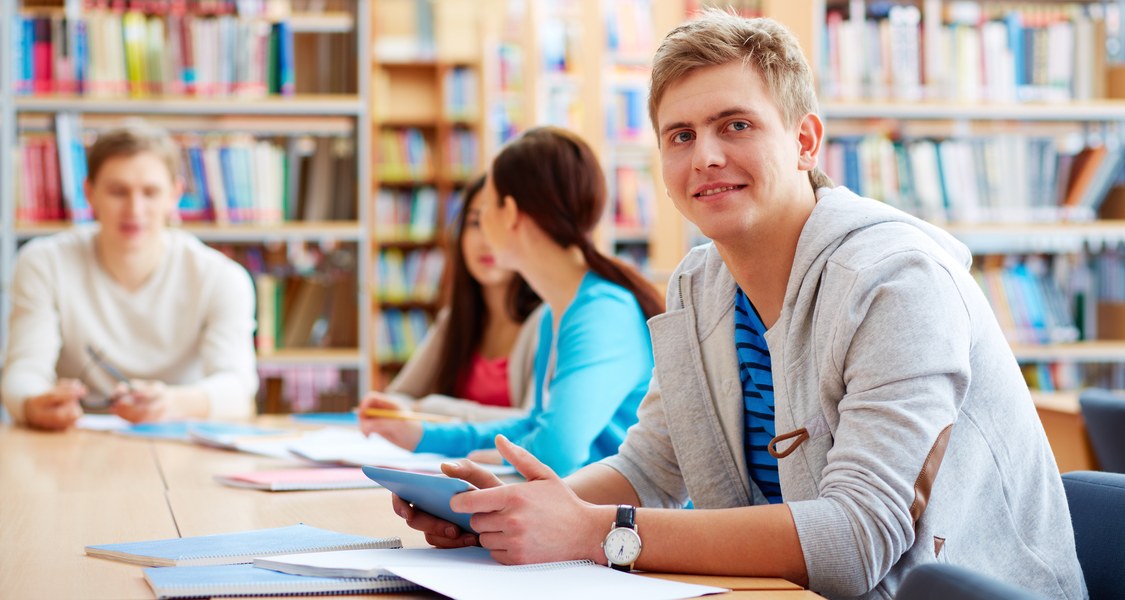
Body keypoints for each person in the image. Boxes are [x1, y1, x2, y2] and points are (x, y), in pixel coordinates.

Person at [384, 12, 1086, 599]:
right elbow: (651, 467)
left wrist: (591, 531)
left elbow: (856, 539)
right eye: (680, 136)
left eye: (735, 126)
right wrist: (515, 512)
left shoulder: (897, 283)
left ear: (805, 141)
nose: (706, 156)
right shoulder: (701, 284)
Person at [360, 126, 663, 477]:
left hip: (628, 523)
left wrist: (493, 460)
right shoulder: (559, 309)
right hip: (588, 510)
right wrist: (420, 435)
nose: (481, 227)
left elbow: (556, 452)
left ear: (511, 213)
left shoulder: (602, 312)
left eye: (485, 210)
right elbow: (534, 425)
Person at [1, 123, 259, 430]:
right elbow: (23, 372)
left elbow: (239, 389)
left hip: (179, 440)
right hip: (74, 439)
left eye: (150, 192)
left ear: (174, 195)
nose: (135, 209)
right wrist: (34, 404)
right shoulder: (43, 263)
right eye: (118, 191)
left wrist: (172, 403)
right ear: (89, 193)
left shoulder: (221, 278)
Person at [370, 174, 546, 422]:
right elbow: (399, 397)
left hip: (497, 461)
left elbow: (531, 422)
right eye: (475, 223)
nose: (487, 240)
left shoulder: (546, 322)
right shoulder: (456, 318)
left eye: (499, 224)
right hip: (447, 461)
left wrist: (431, 409)